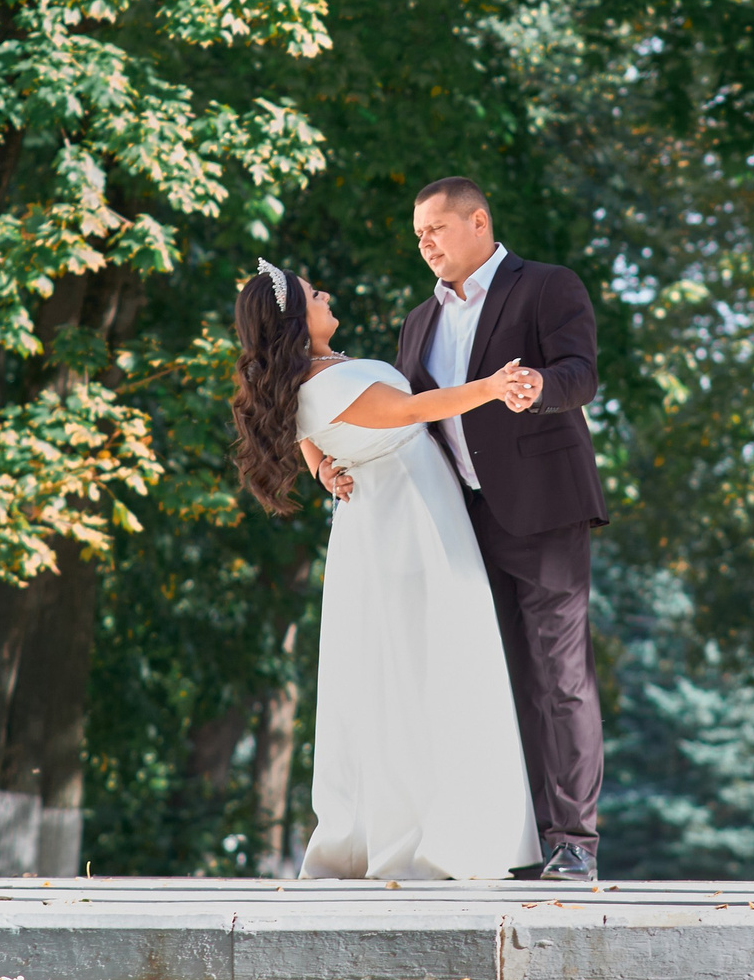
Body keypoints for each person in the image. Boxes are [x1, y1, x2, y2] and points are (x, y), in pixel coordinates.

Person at [317, 177, 607, 882]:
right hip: (459, 523)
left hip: (545, 512)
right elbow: (399, 414)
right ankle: (505, 843)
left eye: (436, 230)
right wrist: (325, 458)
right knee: (490, 681)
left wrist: (537, 386)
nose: (426, 245)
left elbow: (581, 372)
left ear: (479, 220)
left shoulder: (545, 285)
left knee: (558, 677)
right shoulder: (418, 321)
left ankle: (572, 841)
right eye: (418, 236)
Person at [230, 259, 540, 880]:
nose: (327, 294)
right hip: (407, 525)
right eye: (316, 293)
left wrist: (322, 468)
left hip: (394, 512)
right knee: (428, 664)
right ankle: (430, 835)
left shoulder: (308, 377)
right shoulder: (324, 382)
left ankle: (433, 822)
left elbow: (304, 432)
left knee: (412, 665)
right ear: (297, 318)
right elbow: (411, 410)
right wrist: (493, 386)